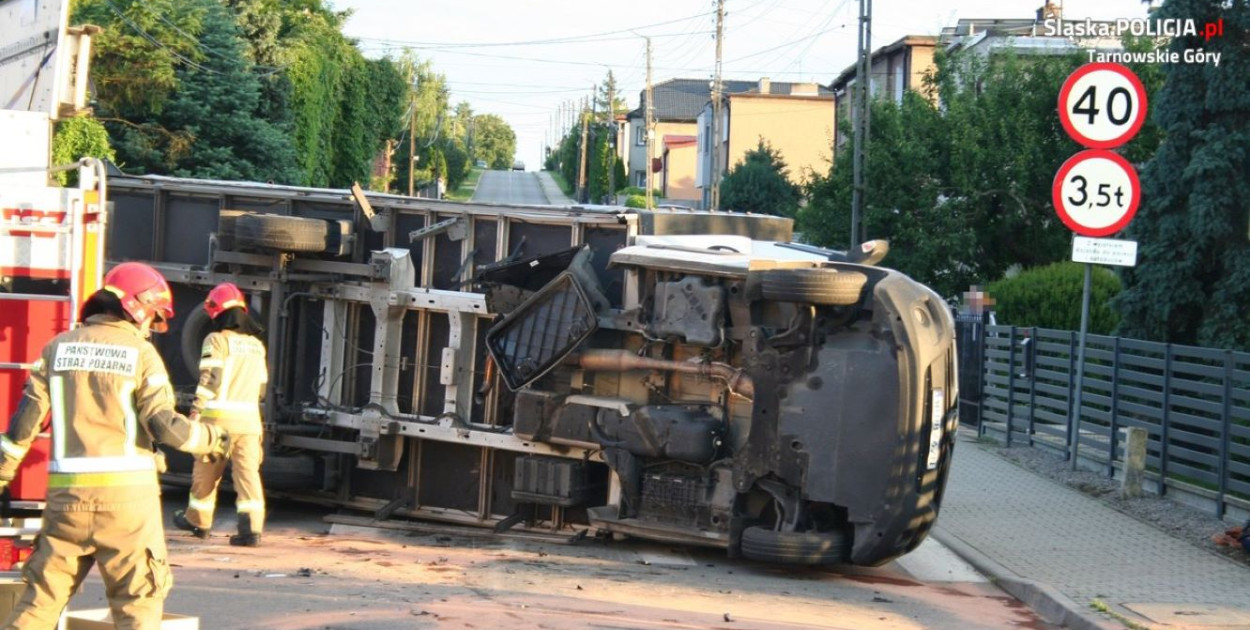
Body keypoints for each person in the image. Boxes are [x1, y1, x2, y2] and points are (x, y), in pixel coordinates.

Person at [0, 262, 229, 629]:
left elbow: (22, 426)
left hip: (66, 505)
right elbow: (163, 424)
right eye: (152, 316)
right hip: (128, 507)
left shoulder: (56, 349)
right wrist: (211, 440)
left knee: (40, 604)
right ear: (138, 306)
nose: (150, 327)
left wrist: (2, 476)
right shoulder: (140, 354)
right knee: (137, 606)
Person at [173, 282, 269, 547]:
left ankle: (198, 522)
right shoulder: (256, 346)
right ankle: (251, 531)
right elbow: (261, 388)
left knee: (206, 472)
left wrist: (195, 410)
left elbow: (210, 379)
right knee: (247, 475)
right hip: (249, 423)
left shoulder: (216, 340)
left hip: (217, 423)